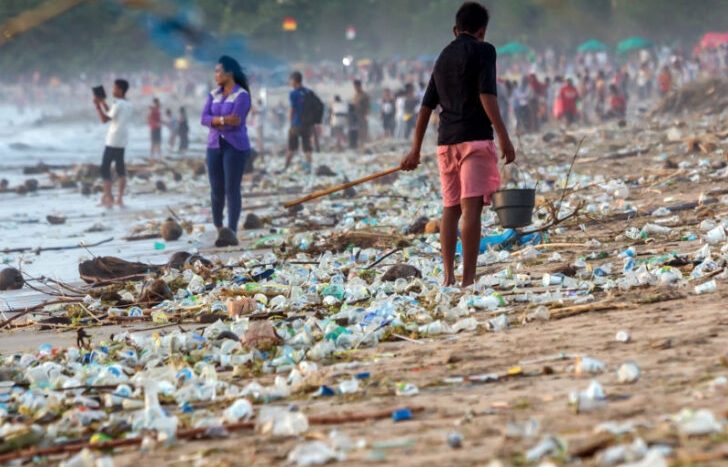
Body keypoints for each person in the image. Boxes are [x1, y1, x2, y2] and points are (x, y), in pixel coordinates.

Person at [401, 1, 515, 288]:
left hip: (446, 144)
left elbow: (426, 107)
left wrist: (414, 150)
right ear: (482, 31)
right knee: (471, 209)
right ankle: (468, 279)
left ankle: (448, 276)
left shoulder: (443, 57)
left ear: (455, 30)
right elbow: (487, 95)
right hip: (474, 140)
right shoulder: (485, 50)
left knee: (451, 209)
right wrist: (504, 136)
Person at [200, 55, 252, 247]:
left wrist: (215, 120)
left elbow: (236, 120)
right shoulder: (213, 94)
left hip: (235, 146)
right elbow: (203, 118)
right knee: (216, 189)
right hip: (214, 145)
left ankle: (232, 229)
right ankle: (219, 227)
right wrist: (222, 120)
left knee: (232, 188)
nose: (216, 75)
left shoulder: (242, 95)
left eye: (218, 71)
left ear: (229, 73)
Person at [93, 79, 132, 208]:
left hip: (112, 140)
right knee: (120, 170)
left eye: (114, 88)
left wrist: (98, 106)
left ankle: (108, 196)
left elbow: (105, 119)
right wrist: (103, 102)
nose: (113, 90)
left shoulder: (118, 104)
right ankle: (120, 198)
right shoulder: (127, 104)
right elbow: (112, 113)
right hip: (122, 140)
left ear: (120, 90)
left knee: (105, 169)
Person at [284, 71, 313, 172]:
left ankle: (286, 167)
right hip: (307, 125)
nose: (290, 83)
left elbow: (293, 109)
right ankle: (309, 168)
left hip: (296, 123)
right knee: (307, 148)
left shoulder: (293, 93)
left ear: (295, 81)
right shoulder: (308, 92)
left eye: (291, 80)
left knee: (291, 147)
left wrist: (290, 122)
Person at [352, 79, 370, 147]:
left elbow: (368, 106)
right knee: (358, 131)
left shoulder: (364, 95)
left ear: (359, 86)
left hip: (362, 115)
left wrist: (366, 114)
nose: (355, 88)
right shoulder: (355, 95)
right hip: (356, 116)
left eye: (356, 87)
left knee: (363, 131)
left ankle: (363, 144)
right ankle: (359, 144)